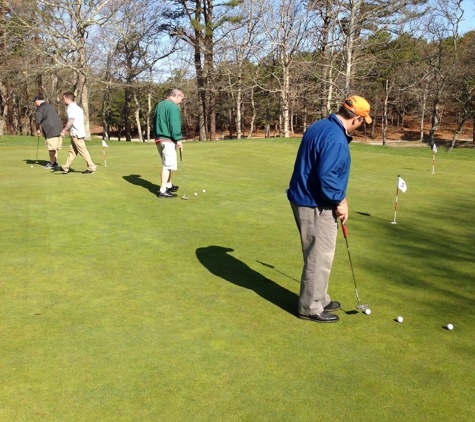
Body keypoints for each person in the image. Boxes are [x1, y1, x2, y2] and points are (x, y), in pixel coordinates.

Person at [287, 95, 372, 323]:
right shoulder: (335, 137)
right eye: (363, 121)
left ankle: (320, 298)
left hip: (306, 198)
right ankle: (310, 308)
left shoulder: (321, 125)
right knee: (318, 255)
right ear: (356, 118)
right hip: (314, 203)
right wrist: (341, 201)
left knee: (322, 253)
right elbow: (328, 176)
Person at [152, 89, 185, 198]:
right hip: (167, 139)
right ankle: (162, 190)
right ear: (176, 96)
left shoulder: (160, 105)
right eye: (181, 99)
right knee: (167, 165)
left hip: (159, 139)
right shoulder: (173, 106)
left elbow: (155, 121)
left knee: (169, 163)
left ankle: (169, 185)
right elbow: (174, 124)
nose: (181, 102)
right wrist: (178, 139)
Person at [57, 92, 96, 174]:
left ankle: (91, 167)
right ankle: (66, 167)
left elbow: (71, 120)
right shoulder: (78, 108)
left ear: (68, 99)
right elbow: (84, 119)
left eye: (63, 99)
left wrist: (64, 130)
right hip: (78, 132)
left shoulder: (71, 108)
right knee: (72, 151)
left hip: (76, 133)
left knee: (83, 151)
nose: (63, 101)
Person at [34, 95, 63, 169]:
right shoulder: (50, 106)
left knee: (51, 148)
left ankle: (52, 163)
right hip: (59, 129)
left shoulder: (40, 108)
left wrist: (37, 129)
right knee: (56, 147)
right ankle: (55, 162)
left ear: (38, 101)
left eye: (35, 102)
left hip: (50, 130)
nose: (35, 104)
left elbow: (37, 122)